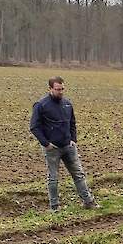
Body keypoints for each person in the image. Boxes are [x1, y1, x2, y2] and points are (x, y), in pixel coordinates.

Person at [30, 76, 97, 211]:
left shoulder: (67, 104)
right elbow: (34, 127)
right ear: (50, 89)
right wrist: (46, 143)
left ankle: (88, 202)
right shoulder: (41, 105)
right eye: (57, 89)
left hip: (68, 146)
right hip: (52, 149)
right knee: (53, 178)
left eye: (62, 89)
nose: (60, 92)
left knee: (78, 174)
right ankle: (54, 207)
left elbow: (72, 123)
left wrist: (73, 140)